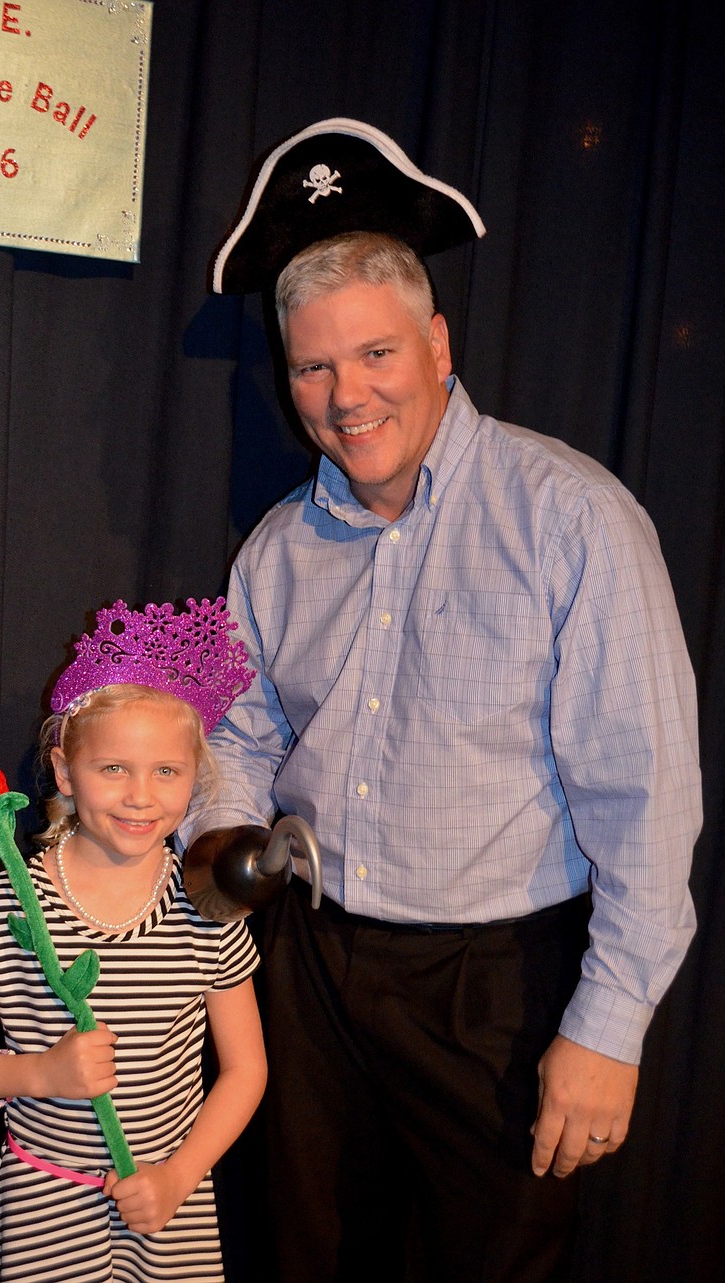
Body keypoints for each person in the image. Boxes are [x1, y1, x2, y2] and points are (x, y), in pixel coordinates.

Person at [181, 120, 703, 1281]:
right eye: (313, 367)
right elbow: (245, 732)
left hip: (497, 992)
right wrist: (216, 840)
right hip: (313, 970)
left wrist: (609, 1025)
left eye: (375, 352)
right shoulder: (276, 549)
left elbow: (645, 795)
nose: (345, 395)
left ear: (436, 343)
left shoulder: (571, 517)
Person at [0, 597, 267, 1283]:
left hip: (165, 1212)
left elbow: (246, 1070)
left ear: (195, 775)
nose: (141, 795)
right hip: (40, 1211)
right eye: (113, 768)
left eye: (166, 771)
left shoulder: (208, 907)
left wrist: (178, 1177)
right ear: (63, 771)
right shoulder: (1, 903)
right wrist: (37, 1074)